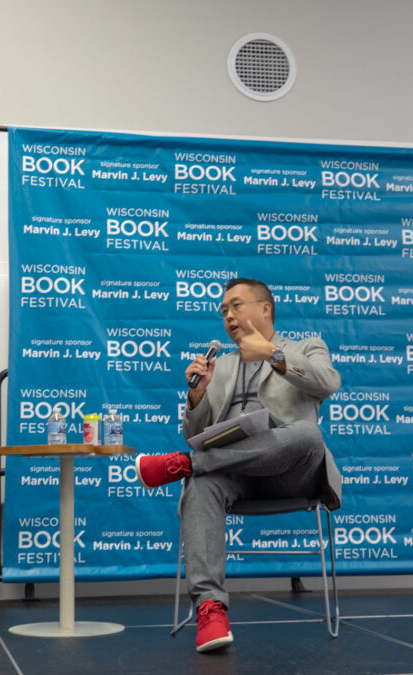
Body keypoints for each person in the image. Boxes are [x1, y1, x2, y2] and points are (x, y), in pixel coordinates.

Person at [134, 278, 342, 653]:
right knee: (200, 483)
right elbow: (196, 431)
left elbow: (327, 383)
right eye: (223, 311)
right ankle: (210, 610)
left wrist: (271, 354)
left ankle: (185, 465)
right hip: (236, 475)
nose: (228, 316)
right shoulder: (221, 364)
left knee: (308, 435)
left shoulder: (305, 346)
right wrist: (196, 397)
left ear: (265, 308)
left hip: (291, 472)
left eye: (236, 306)